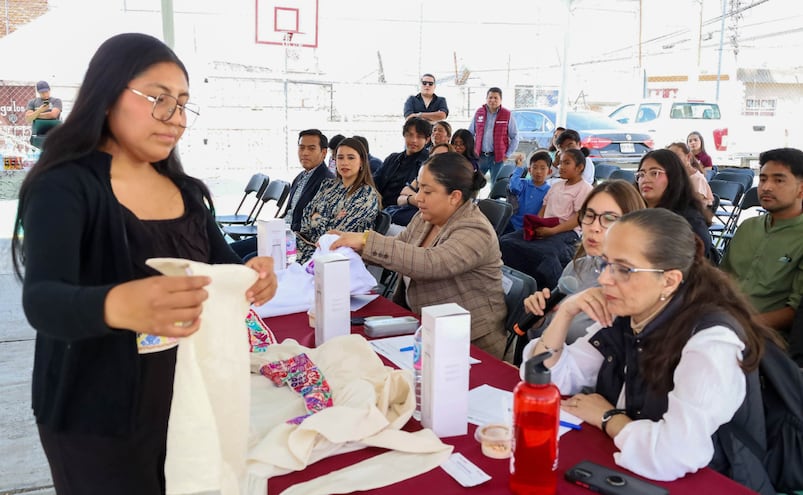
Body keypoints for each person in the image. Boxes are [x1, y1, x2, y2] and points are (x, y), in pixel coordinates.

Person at [10, 33, 278, 494]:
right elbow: (42, 300)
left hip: (182, 401)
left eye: (182, 105)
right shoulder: (65, 186)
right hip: (93, 413)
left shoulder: (187, 193)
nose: (174, 118)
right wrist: (118, 305)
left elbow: (222, 262)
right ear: (108, 93)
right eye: (158, 100)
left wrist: (254, 275)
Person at [519, 208, 783, 493]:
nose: (605, 279)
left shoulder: (711, 342)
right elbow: (547, 377)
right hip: (635, 472)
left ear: (669, 280)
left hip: (711, 482)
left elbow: (674, 453)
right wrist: (567, 312)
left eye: (623, 269)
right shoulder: (629, 313)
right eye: (606, 264)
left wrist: (609, 418)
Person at [330, 152, 507, 356]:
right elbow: (399, 246)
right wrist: (355, 245)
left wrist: (366, 241)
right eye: (419, 187)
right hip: (423, 328)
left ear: (454, 196)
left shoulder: (475, 230)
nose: (418, 197)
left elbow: (431, 262)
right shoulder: (426, 217)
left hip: (469, 343)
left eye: (427, 191)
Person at [521, 180, 646, 345]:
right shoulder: (576, 267)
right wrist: (539, 321)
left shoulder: (638, 286)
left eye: (609, 218)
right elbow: (546, 341)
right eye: (589, 215)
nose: (594, 227)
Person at [720, 147, 803, 336]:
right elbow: (721, 278)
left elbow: (795, 311)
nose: (766, 187)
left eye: (778, 180)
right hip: (724, 325)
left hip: (769, 339)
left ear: (801, 189)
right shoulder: (747, 227)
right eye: (763, 179)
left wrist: (740, 324)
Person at [229, 129, 334, 260]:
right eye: (301, 148)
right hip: (278, 234)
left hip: (296, 242)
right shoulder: (300, 177)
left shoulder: (327, 182)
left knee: (249, 260)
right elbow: (289, 212)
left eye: (311, 149)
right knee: (231, 251)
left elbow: (314, 228)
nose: (305, 153)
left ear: (323, 153)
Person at [500, 148, 593, 290]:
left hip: (566, 232)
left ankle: (556, 294)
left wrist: (552, 231)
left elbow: (577, 219)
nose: (561, 167)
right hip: (546, 227)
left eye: (566, 163)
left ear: (580, 167)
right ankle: (516, 285)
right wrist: (536, 224)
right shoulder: (556, 185)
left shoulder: (584, 189)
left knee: (545, 254)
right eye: (561, 163)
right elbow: (544, 207)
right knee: (506, 242)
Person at [296, 137, 380, 264]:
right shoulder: (328, 185)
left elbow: (336, 236)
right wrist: (329, 219)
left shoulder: (366, 195)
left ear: (362, 162)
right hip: (308, 247)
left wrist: (317, 217)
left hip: (335, 258)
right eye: (340, 158)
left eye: (351, 158)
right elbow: (305, 219)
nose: (344, 163)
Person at [635, 149, 715, 261]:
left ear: (673, 176)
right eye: (641, 174)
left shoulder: (688, 219)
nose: (645, 179)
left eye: (654, 173)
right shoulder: (636, 213)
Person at [374, 117, 431, 226]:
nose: (414, 140)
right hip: (380, 211)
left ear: (427, 140)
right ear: (404, 135)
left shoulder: (428, 164)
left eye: (419, 137)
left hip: (403, 217)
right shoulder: (392, 158)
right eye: (410, 135)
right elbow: (374, 183)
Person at [468, 87, 519, 183]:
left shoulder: (507, 114)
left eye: (496, 98)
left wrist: (507, 155)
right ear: (486, 98)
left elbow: (515, 137)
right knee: (474, 183)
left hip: (497, 158)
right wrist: (471, 152)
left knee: (495, 185)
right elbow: (470, 133)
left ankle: (493, 199)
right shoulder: (479, 112)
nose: (492, 100)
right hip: (480, 156)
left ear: (501, 100)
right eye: (490, 97)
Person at [507, 150, 552, 232]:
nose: (538, 171)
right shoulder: (524, 183)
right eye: (535, 167)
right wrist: (519, 168)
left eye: (543, 168)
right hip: (513, 224)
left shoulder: (550, 191)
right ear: (529, 170)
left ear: (549, 171)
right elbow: (513, 187)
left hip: (531, 228)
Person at [667, 142, 714, 208]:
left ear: (688, 157)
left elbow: (694, 207)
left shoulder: (697, 179)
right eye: (669, 157)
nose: (672, 160)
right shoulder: (673, 176)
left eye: (676, 156)